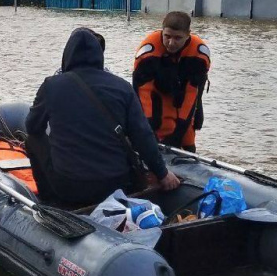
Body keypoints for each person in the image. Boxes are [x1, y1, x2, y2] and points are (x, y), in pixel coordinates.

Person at [25, 28, 180, 208]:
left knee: (32, 140)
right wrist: (162, 174)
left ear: (67, 56)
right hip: (115, 184)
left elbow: (32, 127)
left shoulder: (51, 86)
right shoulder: (122, 87)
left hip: (69, 186)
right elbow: (143, 136)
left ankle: (49, 201)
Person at [132, 11, 211, 152]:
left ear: (188, 35)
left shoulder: (199, 54)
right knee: (157, 126)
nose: (171, 43)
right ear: (162, 32)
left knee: (187, 136)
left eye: (177, 38)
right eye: (167, 36)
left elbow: (191, 93)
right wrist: (147, 129)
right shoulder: (149, 52)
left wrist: (178, 133)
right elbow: (143, 94)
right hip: (156, 90)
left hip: (184, 89)